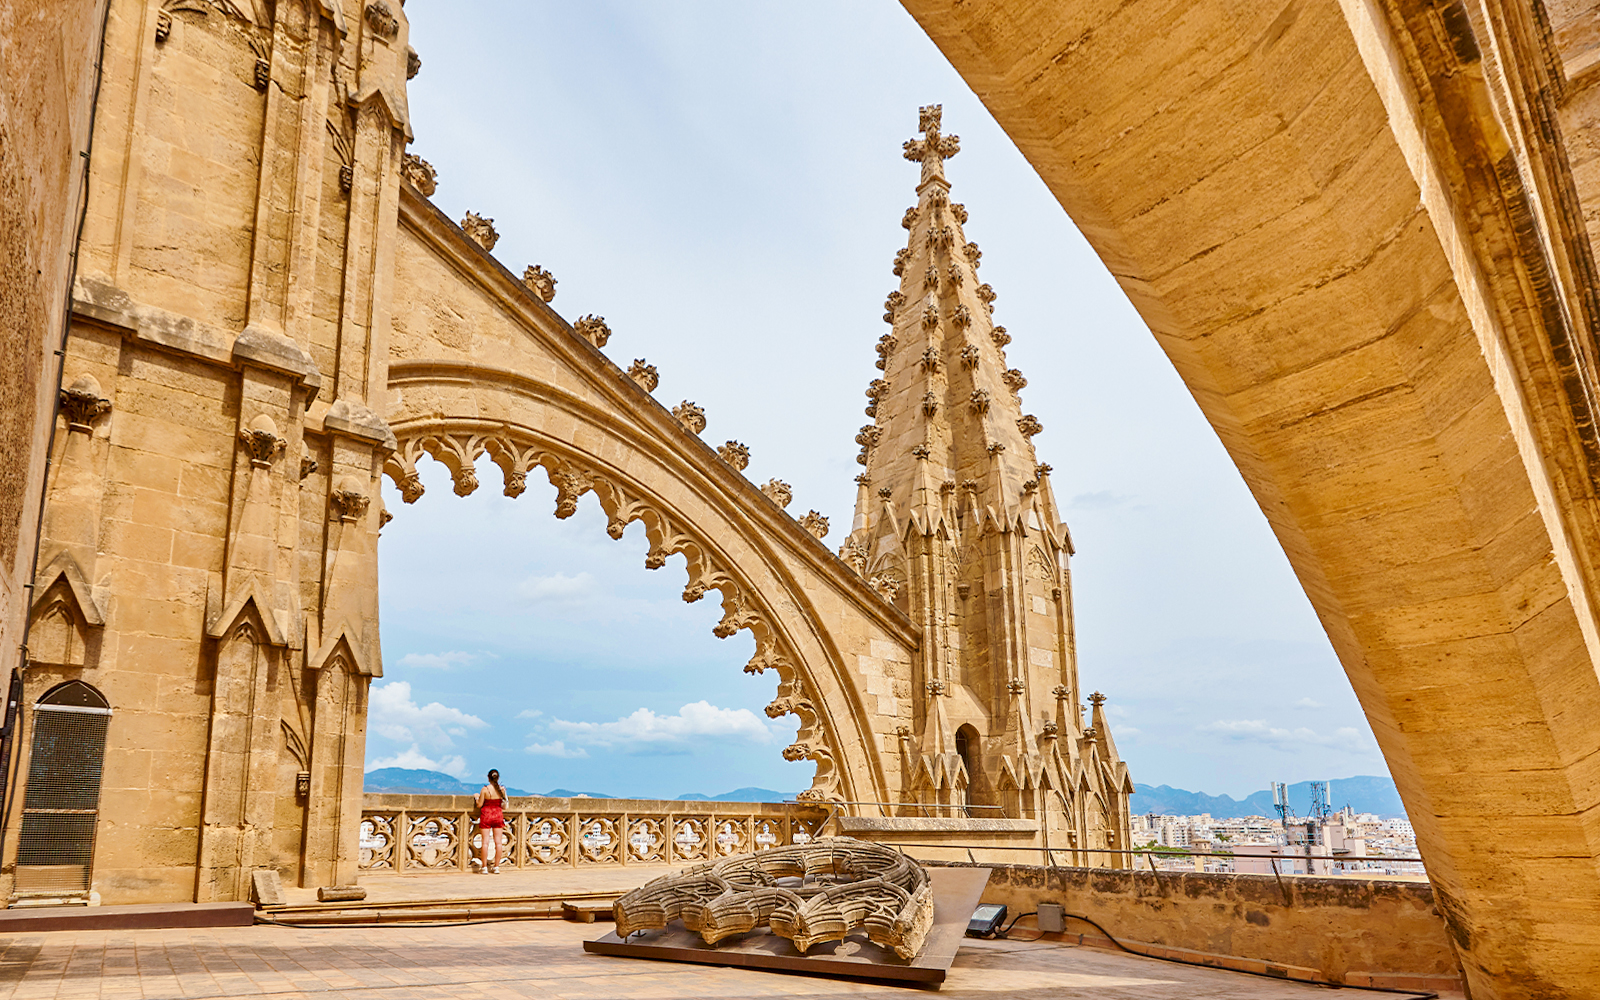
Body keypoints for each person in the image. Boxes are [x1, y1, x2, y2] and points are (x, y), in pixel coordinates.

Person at [474, 769, 508, 874]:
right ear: (498, 778)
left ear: (488, 778)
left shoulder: (485, 790)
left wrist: (476, 797)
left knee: (485, 843)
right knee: (498, 843)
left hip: (486, 815)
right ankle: (496, 867)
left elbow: (479, 805)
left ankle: (484, 867)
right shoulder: (501, 789)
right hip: (498, 815)